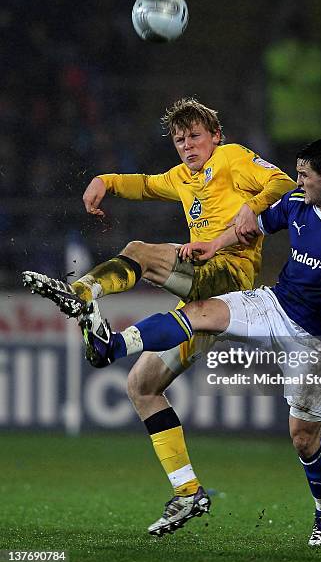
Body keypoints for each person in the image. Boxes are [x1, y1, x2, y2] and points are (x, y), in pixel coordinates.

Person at [79, 138, 321, 545]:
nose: (298, 180)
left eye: (304, 174)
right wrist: (214, 245)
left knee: (304, 439)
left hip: (317, 339)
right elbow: (252, 226)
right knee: (201, 311)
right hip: (275, 304)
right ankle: (111, 346)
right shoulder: (297, 204)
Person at [22, 97, 296, 537]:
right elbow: (146, 185)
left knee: (136, 252)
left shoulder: (231, 158)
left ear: (215, 137)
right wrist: (105, 180)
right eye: (180, 139)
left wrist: (252, 208)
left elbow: (283, 183)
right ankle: (188, 492)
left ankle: (81, 292)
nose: (188, 146)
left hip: (228, 275)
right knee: (141, 386)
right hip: (209, 303)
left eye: (195, 136)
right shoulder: (182, 178)